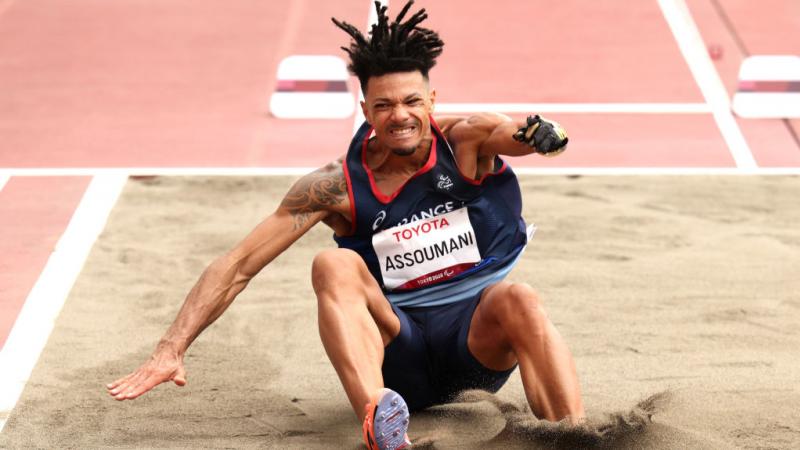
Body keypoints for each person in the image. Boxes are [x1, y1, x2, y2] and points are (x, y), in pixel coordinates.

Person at [106, 1, 584, 449]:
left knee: (520, 298)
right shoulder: (334, 186)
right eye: (384, 106)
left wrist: (542, 135)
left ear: (431, 101)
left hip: (476, 342)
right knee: (333, 264)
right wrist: (170, 348)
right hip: (400, 353)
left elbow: (516, 133)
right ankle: (381, 420)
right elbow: (237, 265)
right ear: (365, 111)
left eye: (411, 102)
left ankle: (578, 436)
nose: (400, 116)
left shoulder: (466, 141)